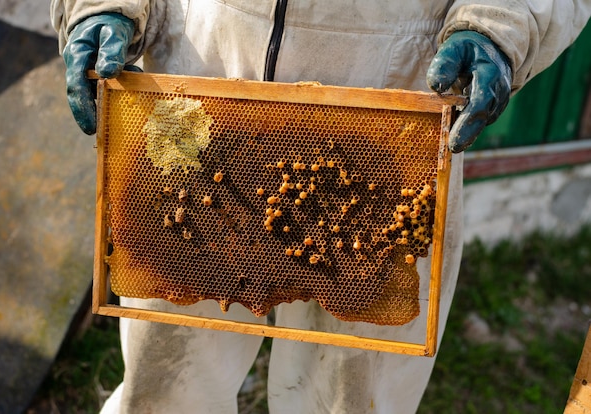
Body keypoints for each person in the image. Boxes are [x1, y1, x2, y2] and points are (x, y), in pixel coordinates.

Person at [51, 2, 590, 413]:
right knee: (164, 389)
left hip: (378, 139)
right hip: (195, 117)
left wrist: (504, 25)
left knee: (346, 397)